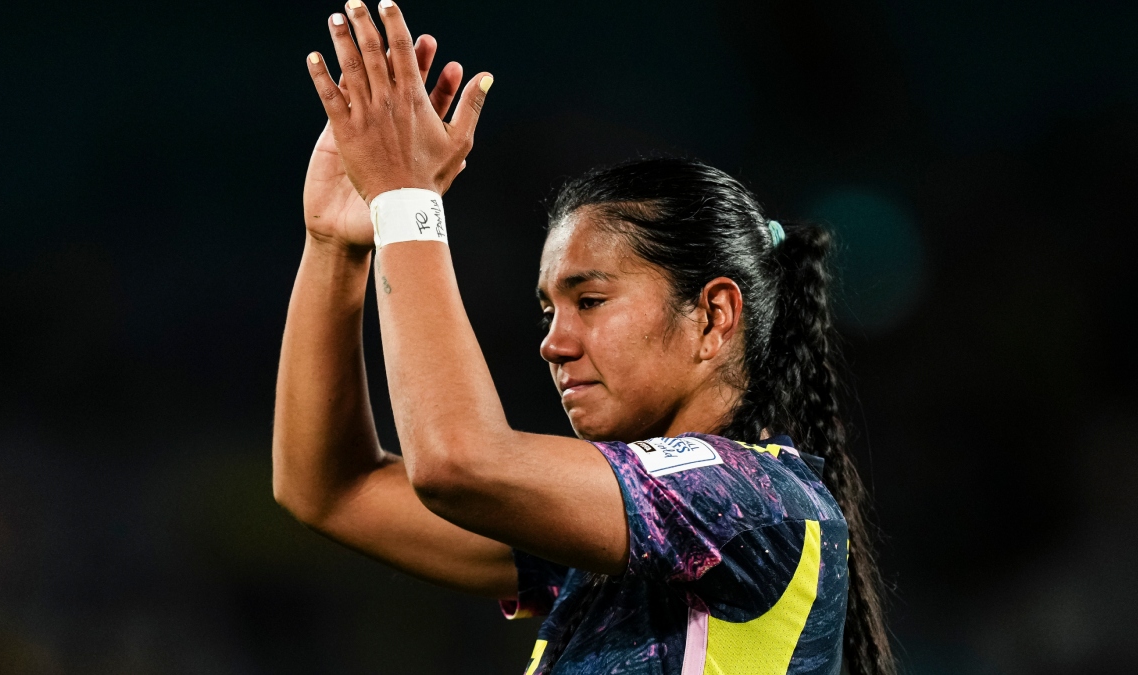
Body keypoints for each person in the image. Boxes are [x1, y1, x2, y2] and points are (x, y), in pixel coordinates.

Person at [272, 2, 895, 674]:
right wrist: (334, 244)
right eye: (548, 311)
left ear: (713, 316)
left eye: (590, 301)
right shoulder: (625, 538)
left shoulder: (756, 503)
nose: (553, 343)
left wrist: (406, 203)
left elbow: (457, 464)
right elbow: (332, 490)